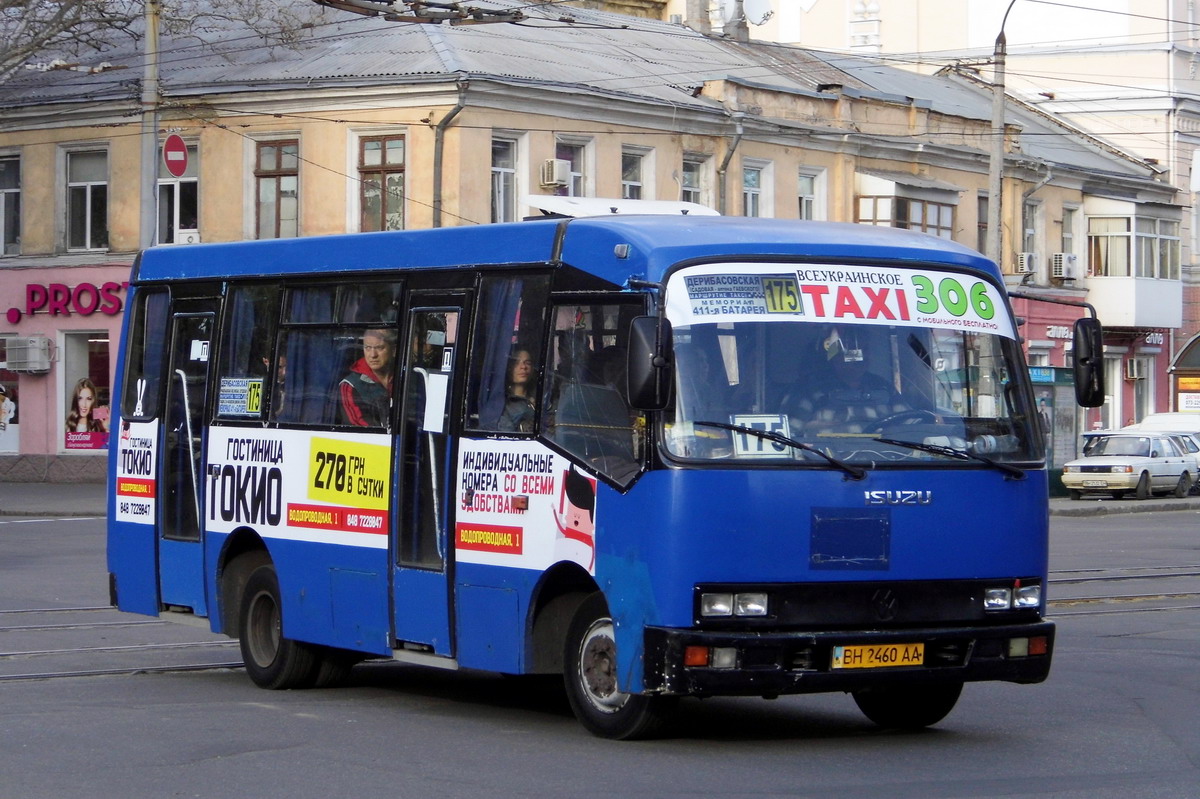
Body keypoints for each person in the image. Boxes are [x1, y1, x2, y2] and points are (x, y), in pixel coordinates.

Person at [339, 328, 396, 427]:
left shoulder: (408, 377)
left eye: (380, 348)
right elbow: (360, 425)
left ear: (394, 350)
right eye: (368, 348)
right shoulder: (350, 385)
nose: (373, 355)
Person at [498, 347, 536, 432]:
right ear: (508, 368)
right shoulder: (502, 404)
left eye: (528, 363)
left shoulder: (544, 398)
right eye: (516, 363)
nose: (523, 367)